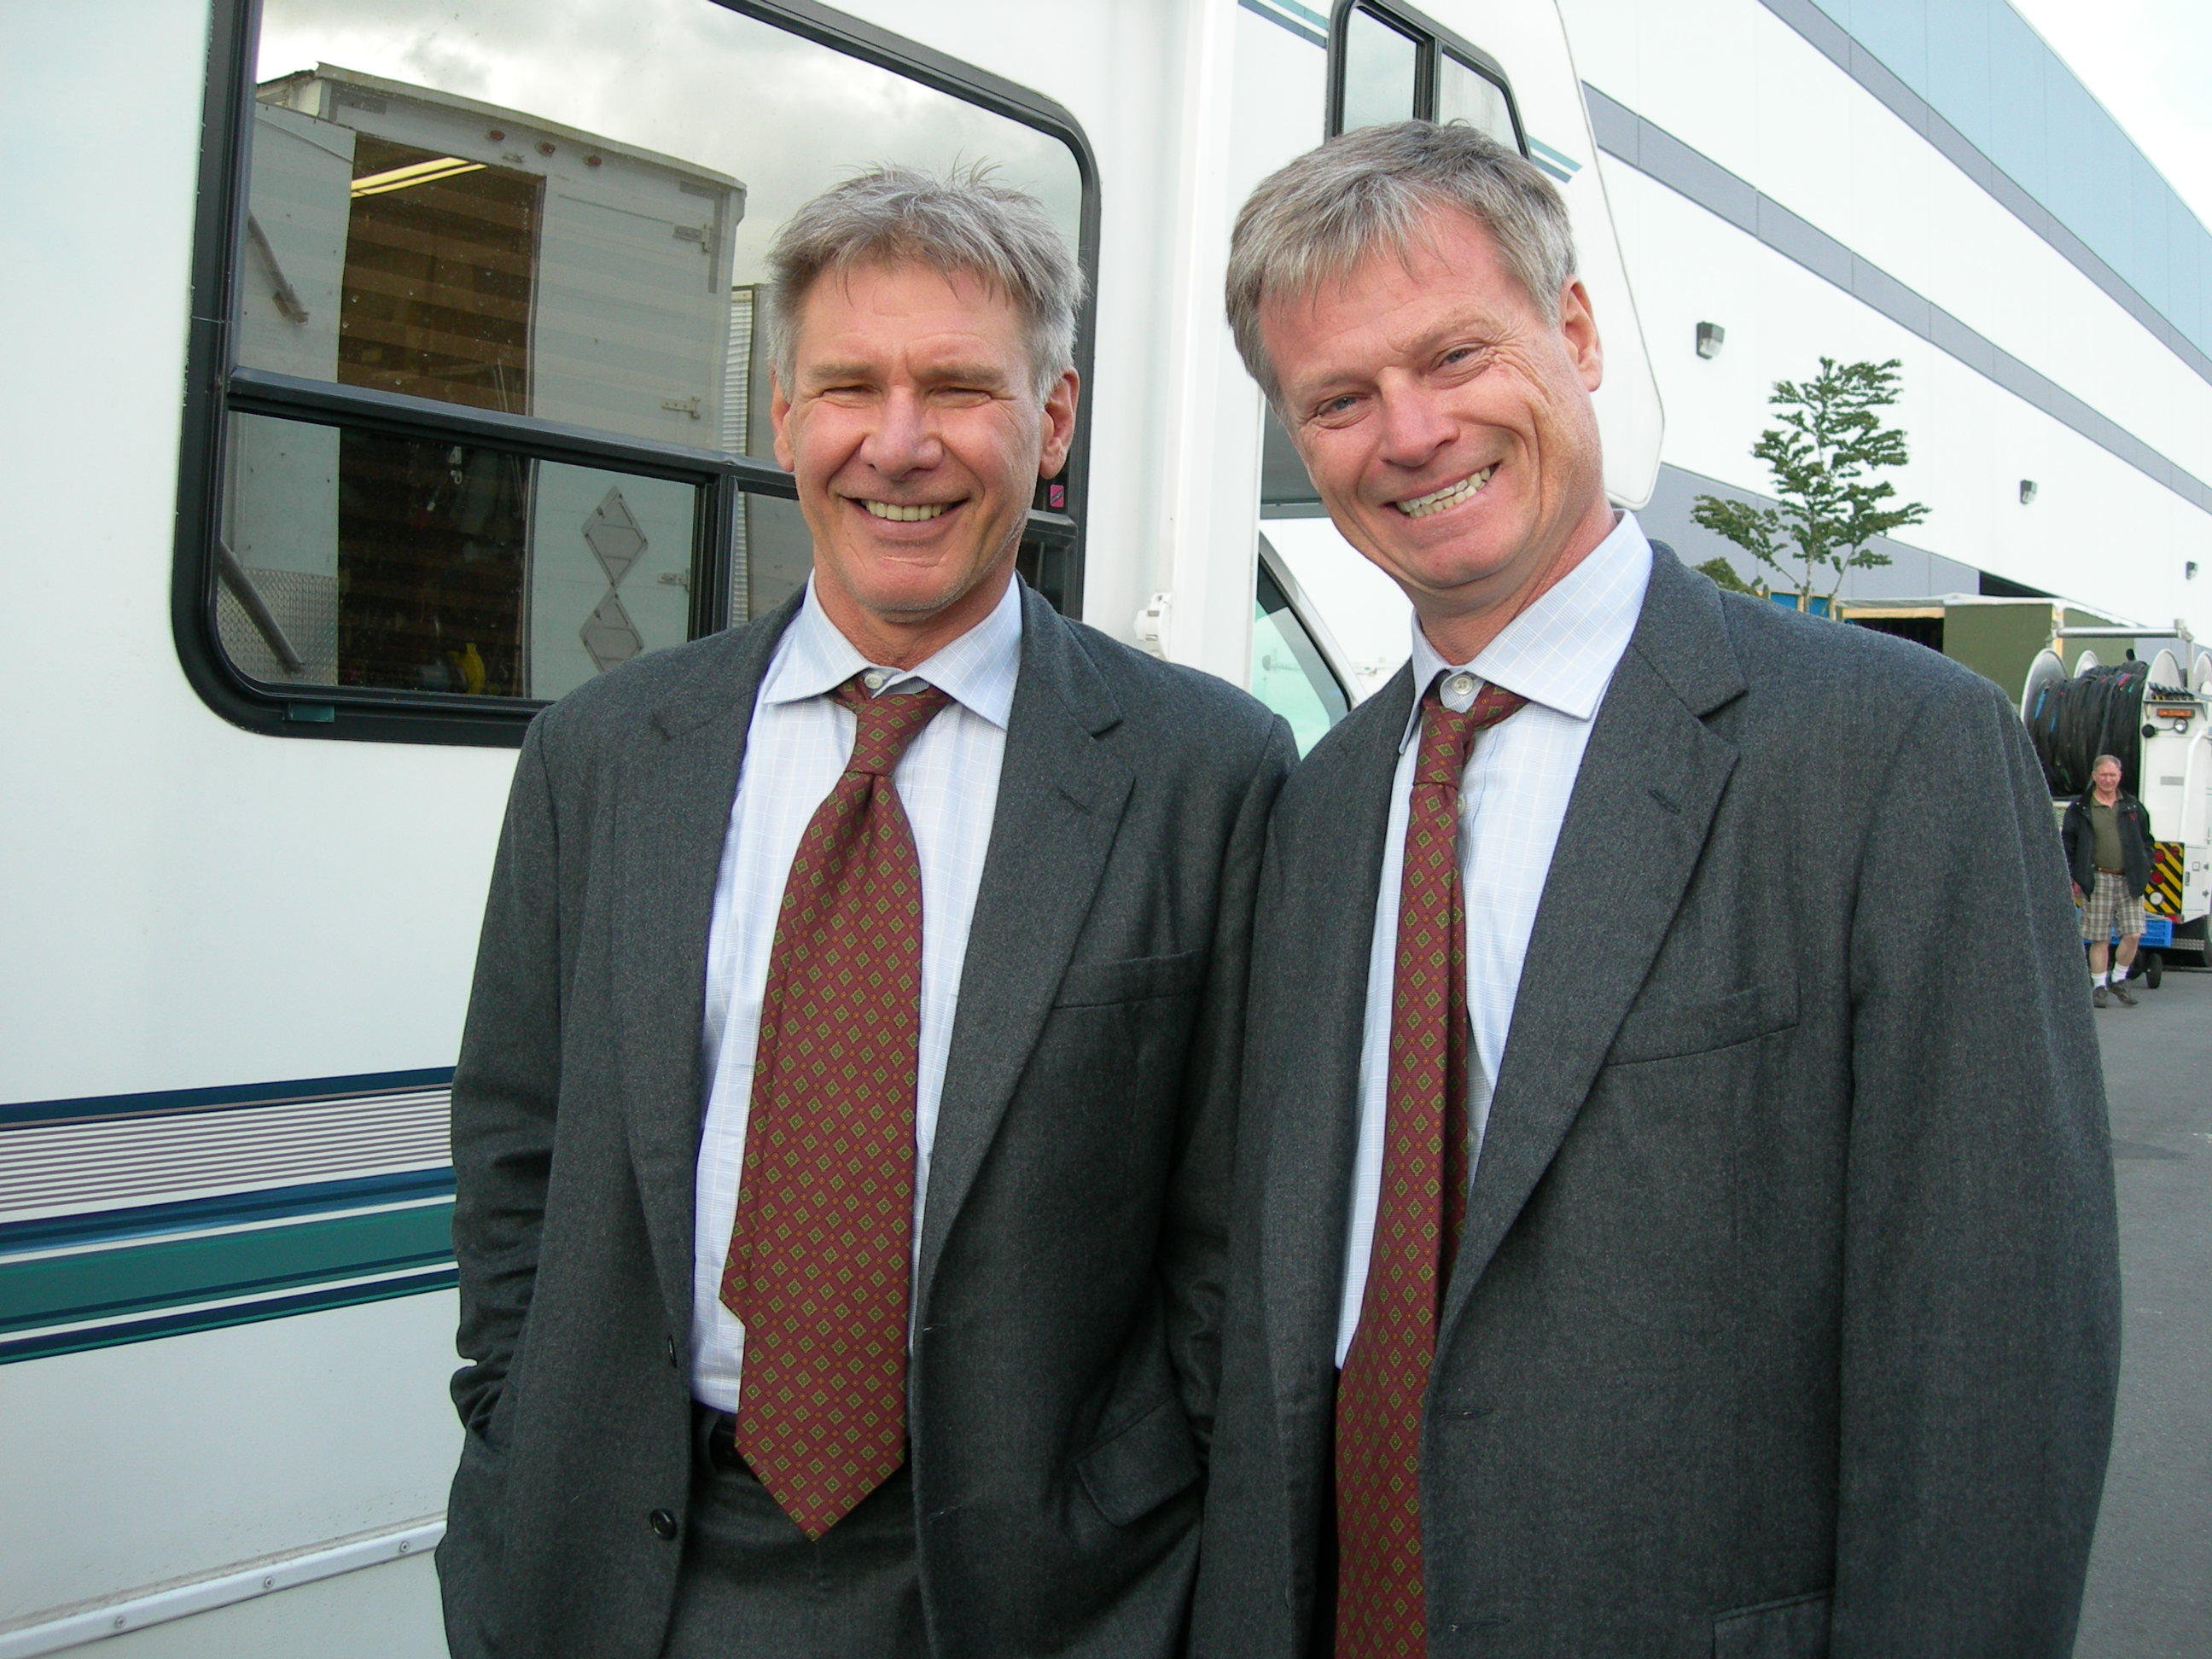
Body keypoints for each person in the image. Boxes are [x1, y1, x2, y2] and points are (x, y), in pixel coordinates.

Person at [1190, 121, 2120, 1658]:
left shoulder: (1891, 754)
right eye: (1339, 397)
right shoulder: (1319, 802)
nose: (1408, 432)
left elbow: (1992, 1360)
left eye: (1454, 354)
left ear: (1572, 333)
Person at [436, 166, 1294, 1659]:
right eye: (850, 385)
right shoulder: (606, 749)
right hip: (635, 1558)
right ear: (782, 420)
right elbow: (516, 1137)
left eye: (960, 386)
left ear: (1054, 421)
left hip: (1037, 1586)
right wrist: (516, 1430)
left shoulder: (1204, 770)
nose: (899, 443)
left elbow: (1228, 1235)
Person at [2064, 752, 2154, 1008]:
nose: (2108, 779)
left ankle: (2119, 978)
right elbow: (2068, 843)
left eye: (2112, 774)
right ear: (2094, 776)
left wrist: (2144, 867)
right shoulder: (2081, 808)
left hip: (2130, 880)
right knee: (2099, 937)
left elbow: (2147, 841)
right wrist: (2074, 875)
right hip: (2097, 877)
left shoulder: (2133, 807)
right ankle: (2099, 986)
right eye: (2103, 774)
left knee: (2133, 933)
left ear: (2120, 776)